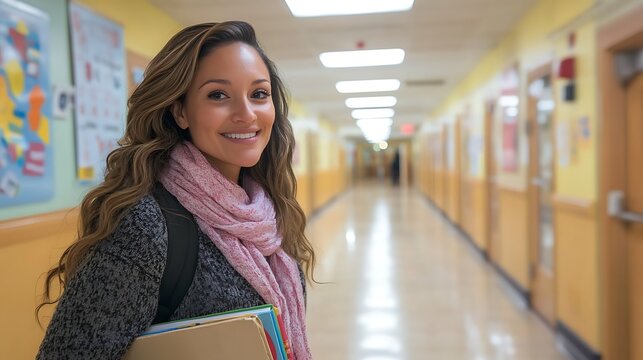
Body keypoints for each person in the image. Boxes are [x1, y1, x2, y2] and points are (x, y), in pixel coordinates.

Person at [36, 21, 315, 359]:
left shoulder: (267, 214)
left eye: (259, 94)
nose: (246, 114)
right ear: (181, 111)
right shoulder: (147, 225)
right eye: (218, 95)